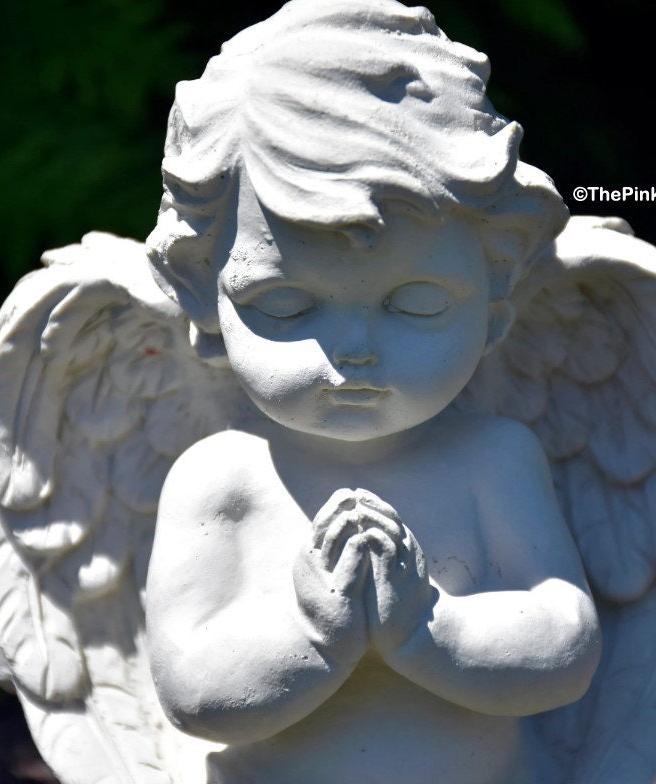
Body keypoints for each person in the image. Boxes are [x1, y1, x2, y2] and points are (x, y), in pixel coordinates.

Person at [145, 2, 601, 781]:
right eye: (285, 308)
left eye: (417, 305)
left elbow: (565, 644)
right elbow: (190, 690)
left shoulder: (493, 458)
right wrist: (311, 635)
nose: (354, 352)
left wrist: (431, 631)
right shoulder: (222, 479)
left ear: (496, 299)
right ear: (204, 300)